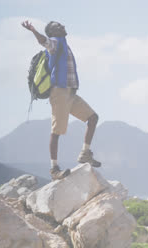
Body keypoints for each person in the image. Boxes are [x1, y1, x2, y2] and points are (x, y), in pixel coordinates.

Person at [21, 20, 101, 180]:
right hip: (59, 92)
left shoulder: (63, 43)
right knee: (56, 131)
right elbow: (44, 42)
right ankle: (54, 169)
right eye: (58, 26)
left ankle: (85, 153)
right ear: (53, 32)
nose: (63, 26)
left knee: (93, 118)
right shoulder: (56, 43)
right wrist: (33, 31)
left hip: (70, 92)